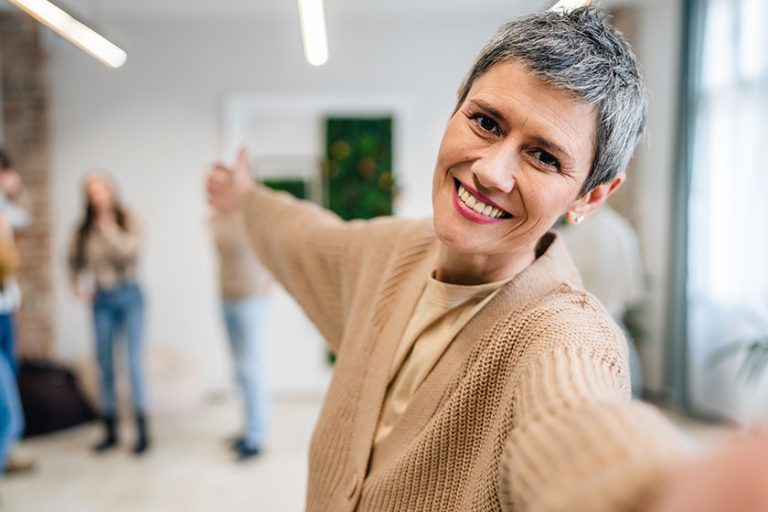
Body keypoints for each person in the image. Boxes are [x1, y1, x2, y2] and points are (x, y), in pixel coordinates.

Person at [208, 6, 765, 512]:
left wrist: (657, 496)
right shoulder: (388, 252)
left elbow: (576, 426)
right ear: (455, 107)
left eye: (544, 156)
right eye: (487, 122)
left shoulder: (564, 336)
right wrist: (246, 198)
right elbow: (303, 234)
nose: (491, 172)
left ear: (591, 196)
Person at [68, 173, 150, 455]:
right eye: (92, 191)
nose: (97, 196)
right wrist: (77, 285)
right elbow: (73, 262)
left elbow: (131, 255)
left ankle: (142, 431)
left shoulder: (129, 221)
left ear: (112, 192)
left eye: (101, 189)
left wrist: (109, 230)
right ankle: (110, 430)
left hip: (129, 297)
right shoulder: (82, 229)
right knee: (105, 364)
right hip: (101, 300)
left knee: (132, 363)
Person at [210, 210, 272, 460]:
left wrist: (266, 285)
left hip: (250, 300)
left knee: (250, 368)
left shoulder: (253, 217)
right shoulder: (214, 219)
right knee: (238, 369)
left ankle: (256, 436)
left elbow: (273, 252)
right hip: (227, 298)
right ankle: (247, 428)